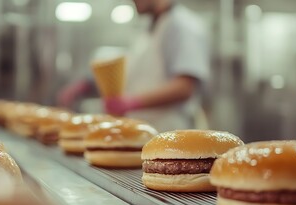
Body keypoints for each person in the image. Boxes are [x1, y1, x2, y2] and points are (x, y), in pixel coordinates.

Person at [58, 0, 209, 132]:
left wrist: (131, 102)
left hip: (170, 135)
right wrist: (88, 84)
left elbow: (185, 87)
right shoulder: (149, 27)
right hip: (145, 131)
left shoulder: (182, 26)